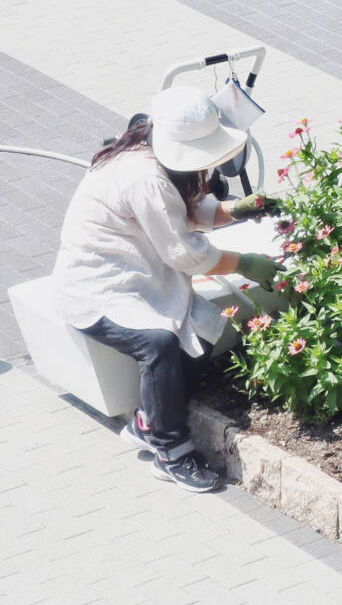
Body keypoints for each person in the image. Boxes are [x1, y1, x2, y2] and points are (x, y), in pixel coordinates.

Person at [54, 88, 283, 492]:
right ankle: (170, 450)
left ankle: (149, 421)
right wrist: (247, 262)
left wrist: (239, 209)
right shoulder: (143, 176)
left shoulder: (152, 151)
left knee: (207, 324)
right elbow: (185, 253)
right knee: (158, 343)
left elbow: (187, 212)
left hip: (139, 274)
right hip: (97, 287)